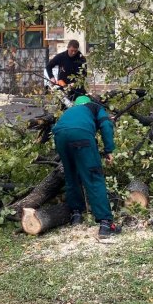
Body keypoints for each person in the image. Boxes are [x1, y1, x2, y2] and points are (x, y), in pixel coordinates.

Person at [52, 95, 121, 238]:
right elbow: (106, 125)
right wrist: (109, 150)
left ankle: (76, 216)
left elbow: (66, 127)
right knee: (94, 176)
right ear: (88, 103)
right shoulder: (95, 107)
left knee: (71, 175)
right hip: (81, 135)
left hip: (59, 136)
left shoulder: (70, 111)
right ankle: (105, 224)